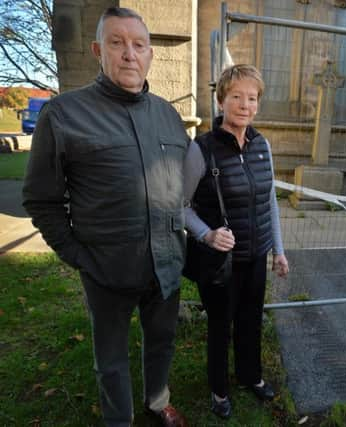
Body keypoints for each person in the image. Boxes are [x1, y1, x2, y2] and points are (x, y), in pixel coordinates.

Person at [22, 7, 189, 427]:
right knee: (111, 358)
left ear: (151, 54)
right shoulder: (63, 114)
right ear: (99, 50)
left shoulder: (168, 115)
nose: (129, 54)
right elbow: (41, 200)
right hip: (106, 267)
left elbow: (184, 184)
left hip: (165, 263)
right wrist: (78, 255)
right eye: (117, 43)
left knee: (162, 342)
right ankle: (120, 420)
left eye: (139, 45)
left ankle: (156, 403)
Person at [184, 64, 289, 419]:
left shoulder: (262, 146)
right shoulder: (202, 149)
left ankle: (250, 376)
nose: (245, 105)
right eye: (237, 97)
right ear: (221, 100)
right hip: (220, 262)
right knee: (220, 325)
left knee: (251, 319)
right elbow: (179, 207)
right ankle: (219, 389)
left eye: (252, 98)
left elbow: (269, 200)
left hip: (256, 256)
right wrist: (207, 234)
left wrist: (278, 250)